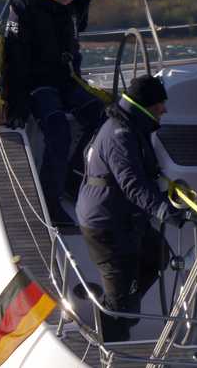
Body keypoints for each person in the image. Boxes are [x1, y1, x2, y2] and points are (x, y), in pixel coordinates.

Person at [76, 75, 186, 342]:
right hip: (107, 225)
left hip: (127, 217)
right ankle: (112, 342)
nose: (165, 109)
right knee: (121, 309)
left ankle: (123, 298)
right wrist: (165, 211)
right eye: (160, 104)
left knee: (158, 257)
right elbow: (133, 184)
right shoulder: (120, 135)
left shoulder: (130, 126)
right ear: (145, 105)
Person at [4, 0, 104, 224]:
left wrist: (83, 1)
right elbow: (14, 58)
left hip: (67, 77)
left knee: (102, 118)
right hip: (37, 82)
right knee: (58, 132)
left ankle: (73, 175)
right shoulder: (24, 5)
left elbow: (77, 27)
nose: (66, 2)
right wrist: (16, 103)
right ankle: (50, 200)